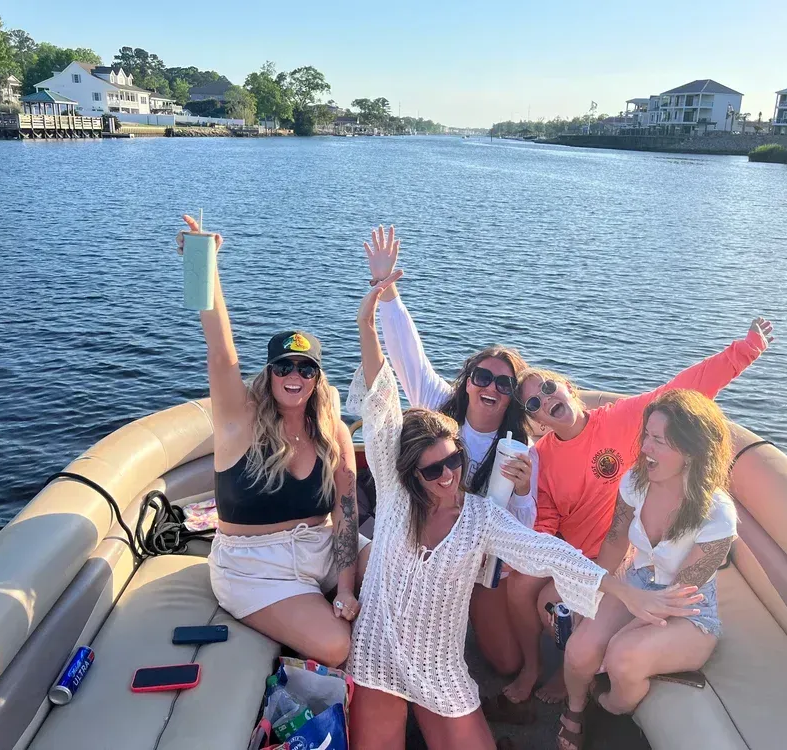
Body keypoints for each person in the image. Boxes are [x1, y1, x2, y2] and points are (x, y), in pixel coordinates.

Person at [345, 271, 704, 750]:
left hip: (437, 666)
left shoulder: (481, 517)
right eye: (433, 471)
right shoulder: (392, 493)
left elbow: (547, 552)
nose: (448, 476)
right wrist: (368, 325)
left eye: (455, 461)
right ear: (408, 473)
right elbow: (383, 400)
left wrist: (622, 590)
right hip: (378, 654)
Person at [504, 317, 773, 703]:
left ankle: (570, 677)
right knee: (518, 584)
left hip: (628, 549)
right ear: (537, 420)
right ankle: (532, 667)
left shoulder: (622, 419)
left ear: (567, 387)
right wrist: (531, 510)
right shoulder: (541, 458)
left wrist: (745, 350)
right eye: (535, 403)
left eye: (548, 388)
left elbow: (686, 388)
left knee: (554, 609)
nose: (546, 400)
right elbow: (545, 523)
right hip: (583, 555)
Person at [175, 215, 360, 668]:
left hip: (320, 550)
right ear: (269, 373)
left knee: (403, 565)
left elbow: (347, 515)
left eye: (305, 368)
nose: (293, 376)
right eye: (283, 367)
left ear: (317, 378)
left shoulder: (332, 431)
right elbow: (221, 350)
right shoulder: (239, 423)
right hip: (254, 568)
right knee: (337, 646)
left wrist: (349, 587)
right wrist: (206, 265)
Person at [363, 224, 538, 676]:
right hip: (420, 545)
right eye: (482, 376)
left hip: (477, 564)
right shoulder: (439, 406)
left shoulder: (519, 449)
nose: (491, 388)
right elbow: (406, 352)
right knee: (412, 638)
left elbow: (521, 530)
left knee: (505, 662)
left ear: (512, 397)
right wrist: (386, 292)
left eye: (504, 383)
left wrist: (522, 493)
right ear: (468, 381)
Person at [557, 389, 738, 750]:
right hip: (637, 583)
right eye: (647, 437)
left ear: (690, 451)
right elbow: (613, 543)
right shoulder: (635, 482)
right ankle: (575, 711)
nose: (645, 449)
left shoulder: (718, 515)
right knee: (579, 650)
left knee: (622, 657)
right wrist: (589, 596)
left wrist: (615, 638)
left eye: (658, 441)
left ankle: (607, 708)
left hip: (688, 612)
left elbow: (679, 596)